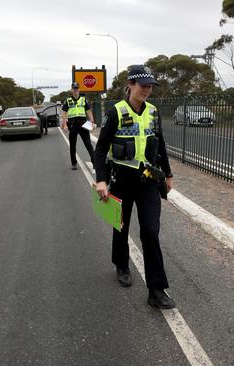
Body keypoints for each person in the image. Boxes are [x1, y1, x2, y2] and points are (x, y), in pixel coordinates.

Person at [93, 65, 175, 309]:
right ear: (130, 85)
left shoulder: (153, 112)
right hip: (121, 179)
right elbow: (100, 150)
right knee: (121, 225)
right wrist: (101, 179)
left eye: (150, 86)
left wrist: (168, 174)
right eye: (143, 85)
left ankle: (156, 290)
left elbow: (160, 145)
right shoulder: (116, 112)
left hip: (149, 179)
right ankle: (121, 264)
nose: (147, 90)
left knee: (150, 232)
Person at [61, 82, 95, 170]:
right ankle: (74, 163)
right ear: (72, 90)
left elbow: (88, 111)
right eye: (74, 89)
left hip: (83, 124)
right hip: (72, 125)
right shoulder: (68, 101)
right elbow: (64, 113)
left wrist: (92, 121)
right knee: (72, 145)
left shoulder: (83, 100)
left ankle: (94, 162)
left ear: (79, 89)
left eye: (77, 88)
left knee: (88, 144)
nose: (75, 90)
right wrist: (64, 125)